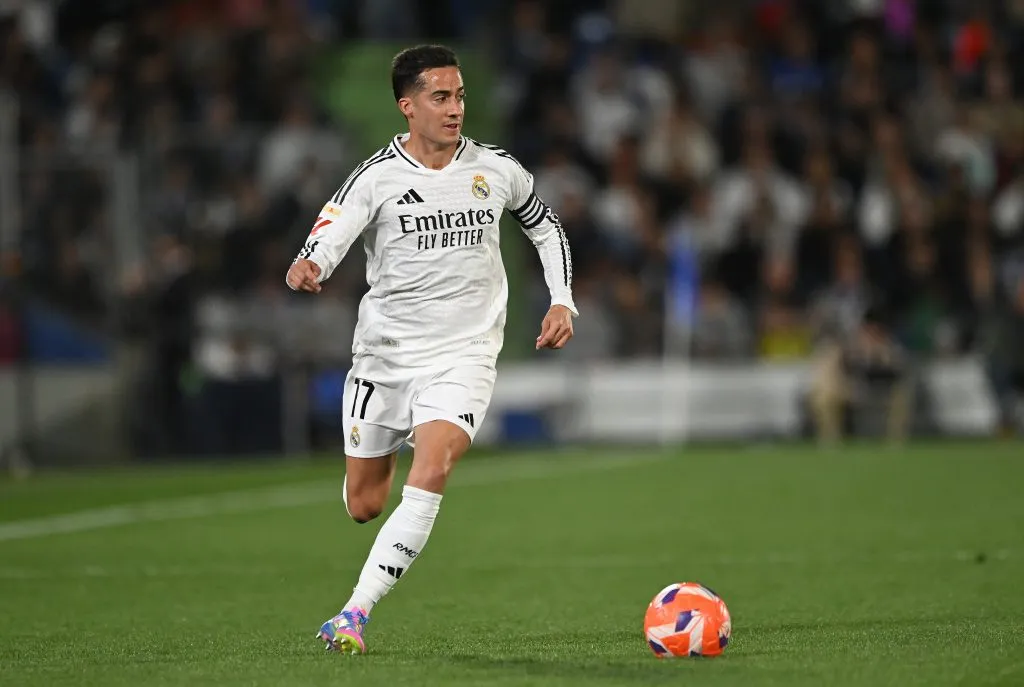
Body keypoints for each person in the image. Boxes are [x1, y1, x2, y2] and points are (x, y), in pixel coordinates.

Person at [285, 45, 578, 654]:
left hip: (465, 354)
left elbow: (544, 226)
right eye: (440, 97)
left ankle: (353, 613)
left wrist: (561, 300)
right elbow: (332, 229)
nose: (454, 109)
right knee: (365, 504)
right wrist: (311, 263)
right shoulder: (377, 177)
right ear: (407, 106)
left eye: (460, 96)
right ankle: (388, 447)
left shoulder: (496, 168)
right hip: (387, 355)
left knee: (434, 467)